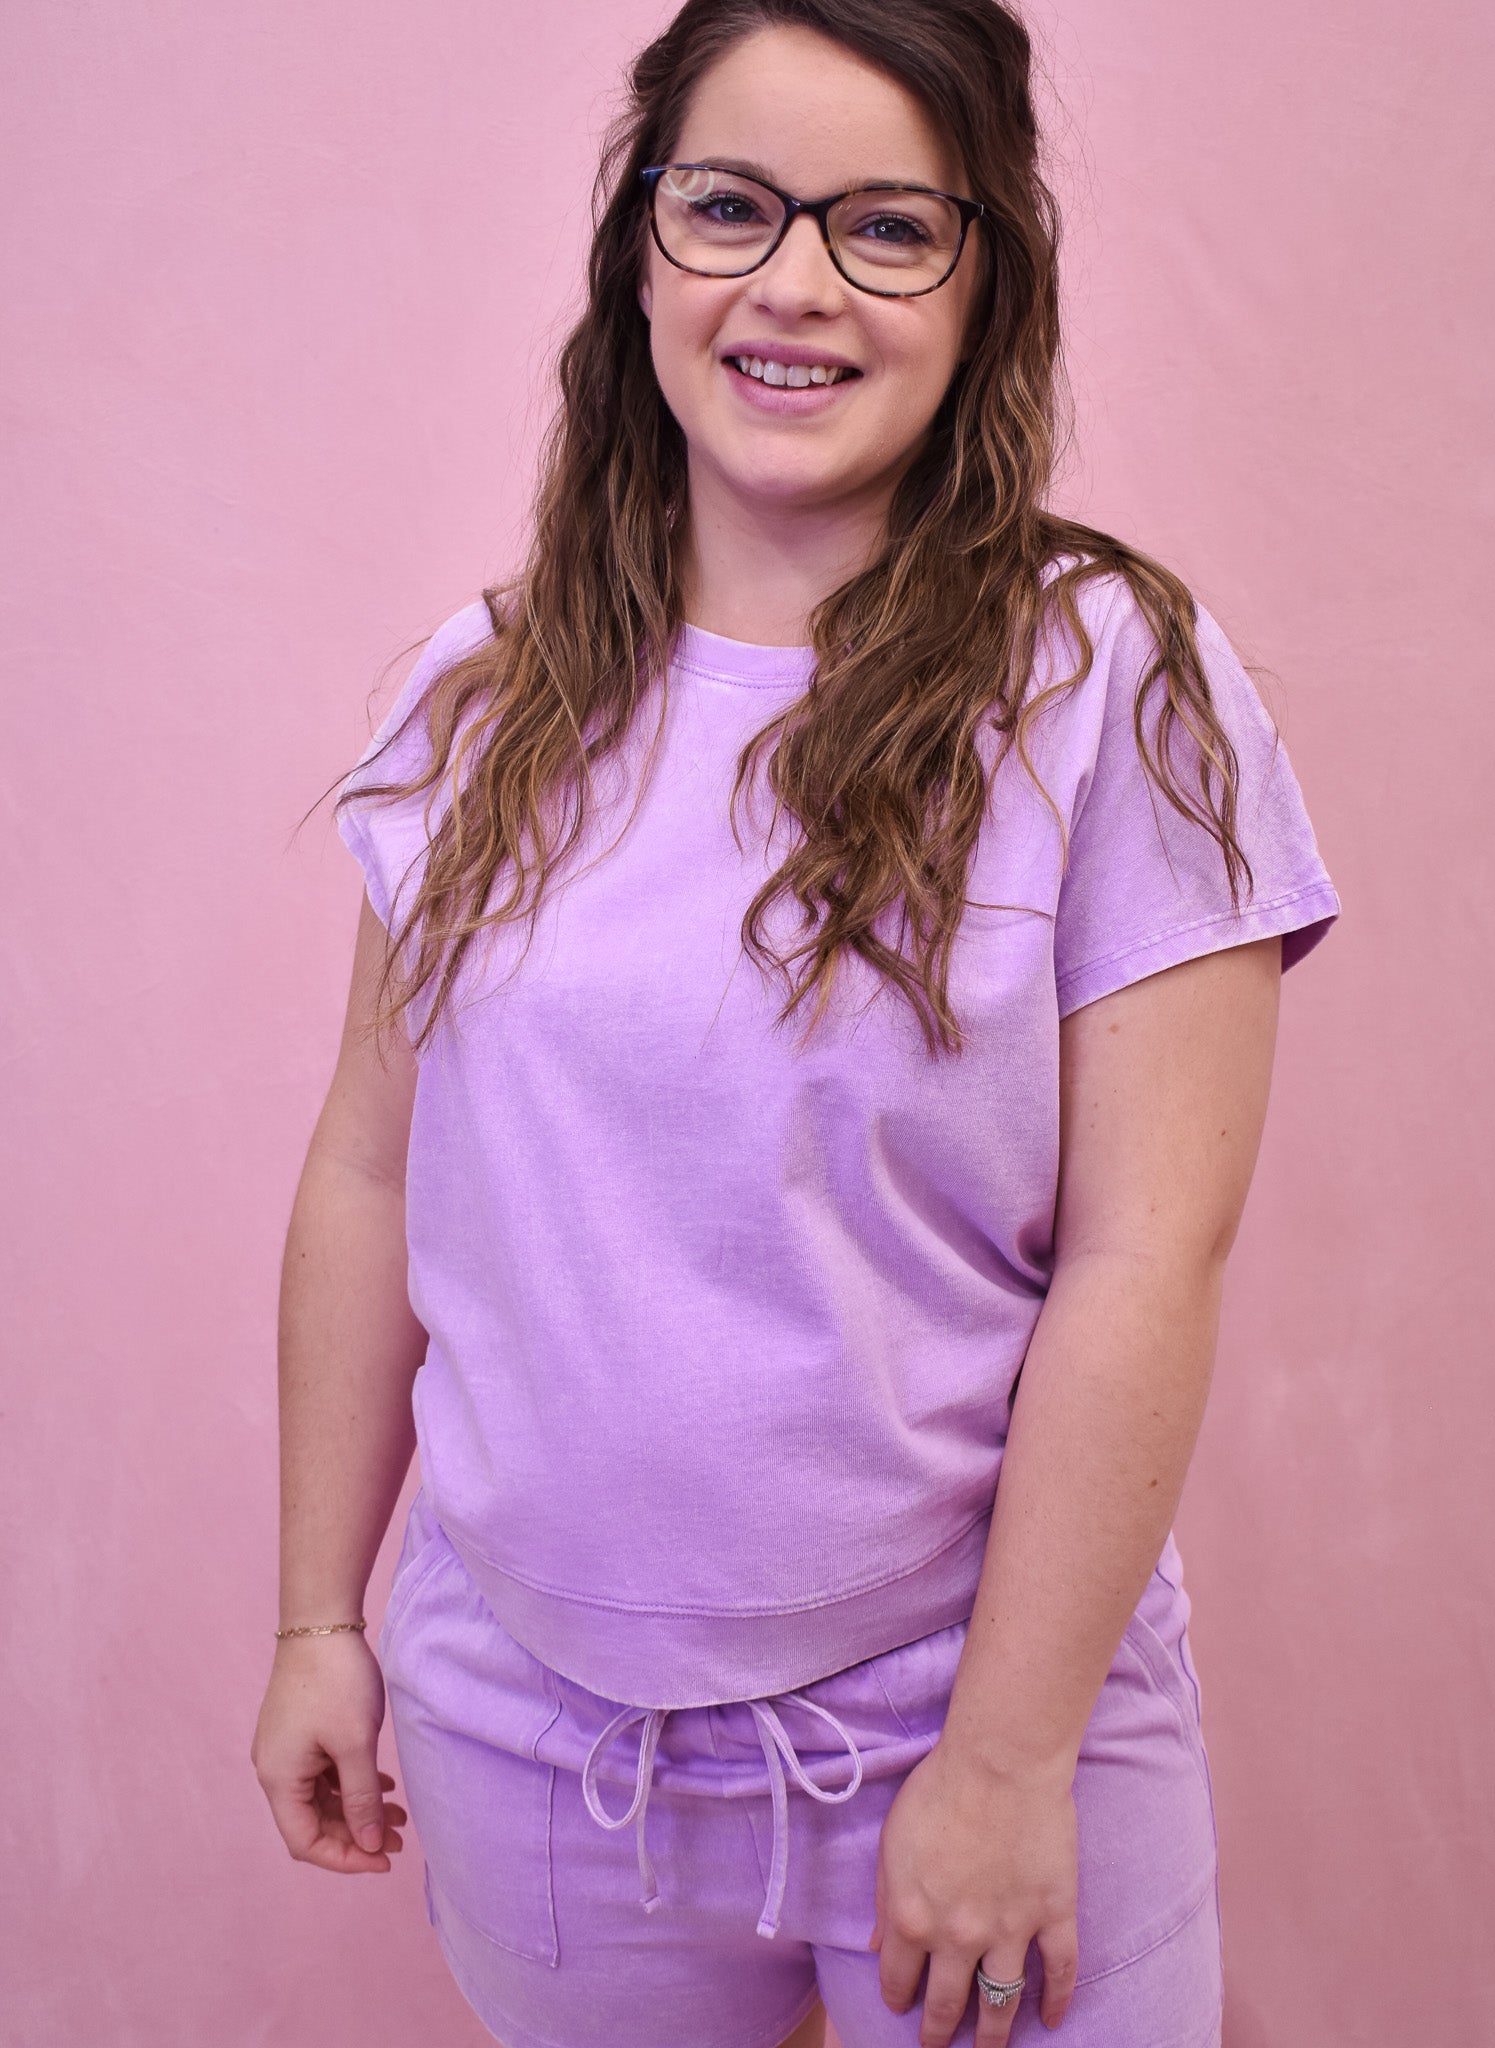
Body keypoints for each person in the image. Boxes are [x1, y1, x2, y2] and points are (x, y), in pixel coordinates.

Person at [250, 2, 1340, 2043]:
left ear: (983, 276)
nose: (795, 286)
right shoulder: (478, 706)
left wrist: (1010, 1763)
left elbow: (1142, 1261)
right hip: (535, 1738)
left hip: (980, 1719)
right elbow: (368, 1174)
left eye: (885, 229)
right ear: (640, 249)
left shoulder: (1113, 681)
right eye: (732, 206)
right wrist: (323, 1610)